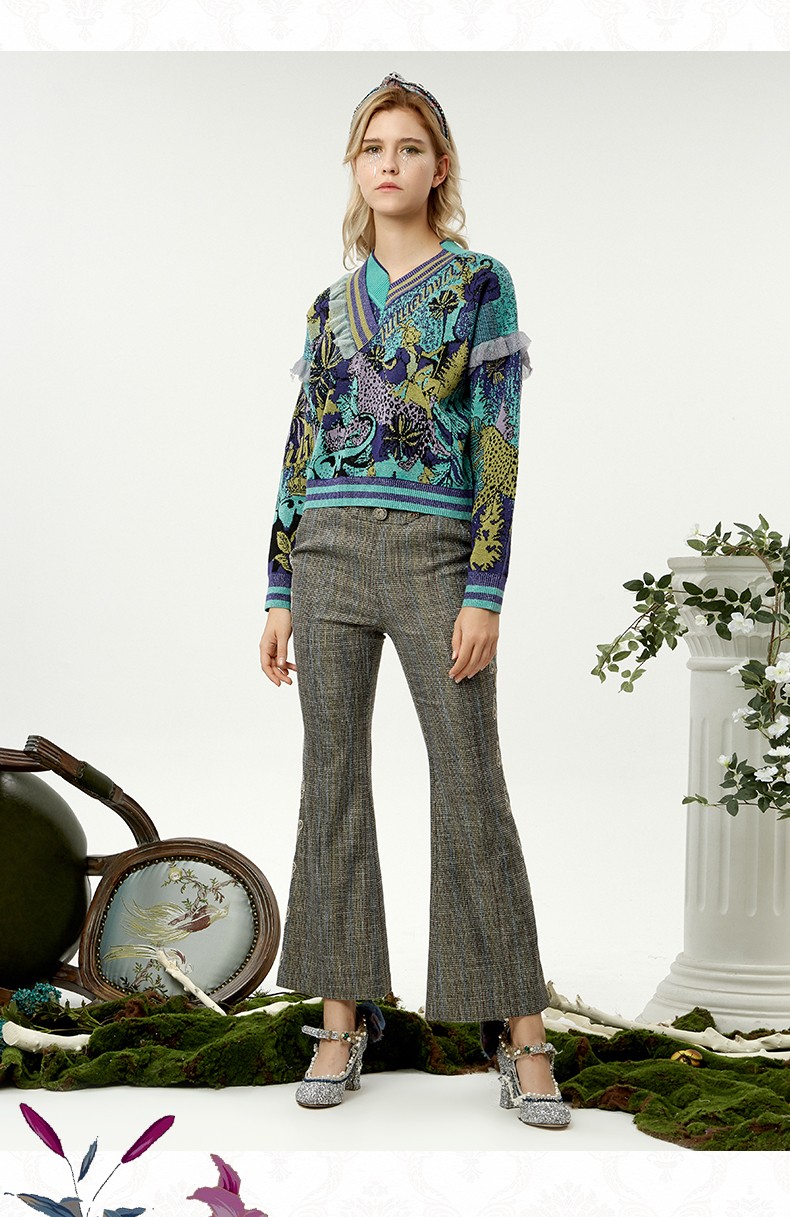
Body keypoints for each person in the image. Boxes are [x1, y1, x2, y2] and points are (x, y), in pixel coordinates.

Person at [259, 71, 570, 1130]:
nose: (387, 163)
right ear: (355, 168)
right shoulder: (327, 304)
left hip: (438, 555)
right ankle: (341, 1019)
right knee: (331, 777)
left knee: (470, 780)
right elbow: (301, 443)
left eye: (407, 147)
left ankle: (519, 1030)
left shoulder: (481, 283)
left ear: (439, 166)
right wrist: (278, 585)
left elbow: (499, 440)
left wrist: (485, 586)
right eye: (371, 148)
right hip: (328, 553)